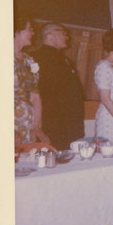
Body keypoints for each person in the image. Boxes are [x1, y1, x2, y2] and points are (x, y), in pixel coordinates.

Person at [32, 22, 84, 150]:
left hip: (70, 122)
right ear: (50, 34)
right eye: (63, 33)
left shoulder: (64, 60)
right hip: (52, 123)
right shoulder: (36, 58)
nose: (67, 37)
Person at [14, 17, 49, 144]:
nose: (33, 33)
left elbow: (35, 95)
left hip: (27, 123)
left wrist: (37, 127)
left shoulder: (28, 60)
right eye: (30, 29)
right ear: (16, 31)